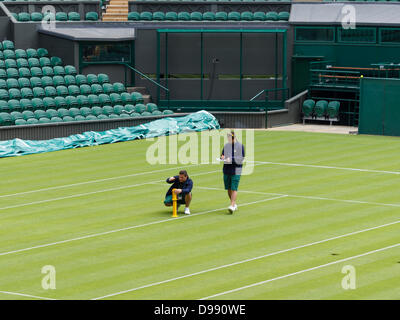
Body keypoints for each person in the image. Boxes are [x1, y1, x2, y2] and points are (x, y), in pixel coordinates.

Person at [220, 131, 245, 213]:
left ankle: (232, 205)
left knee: (234, 188)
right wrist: (222, 157)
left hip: (236, 169)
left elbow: (240, 158)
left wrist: (231, 159)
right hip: (226, 169)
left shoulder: (240, 146)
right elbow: (222, 155)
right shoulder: (226, 146)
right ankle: (234, 203)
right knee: (228, 188)